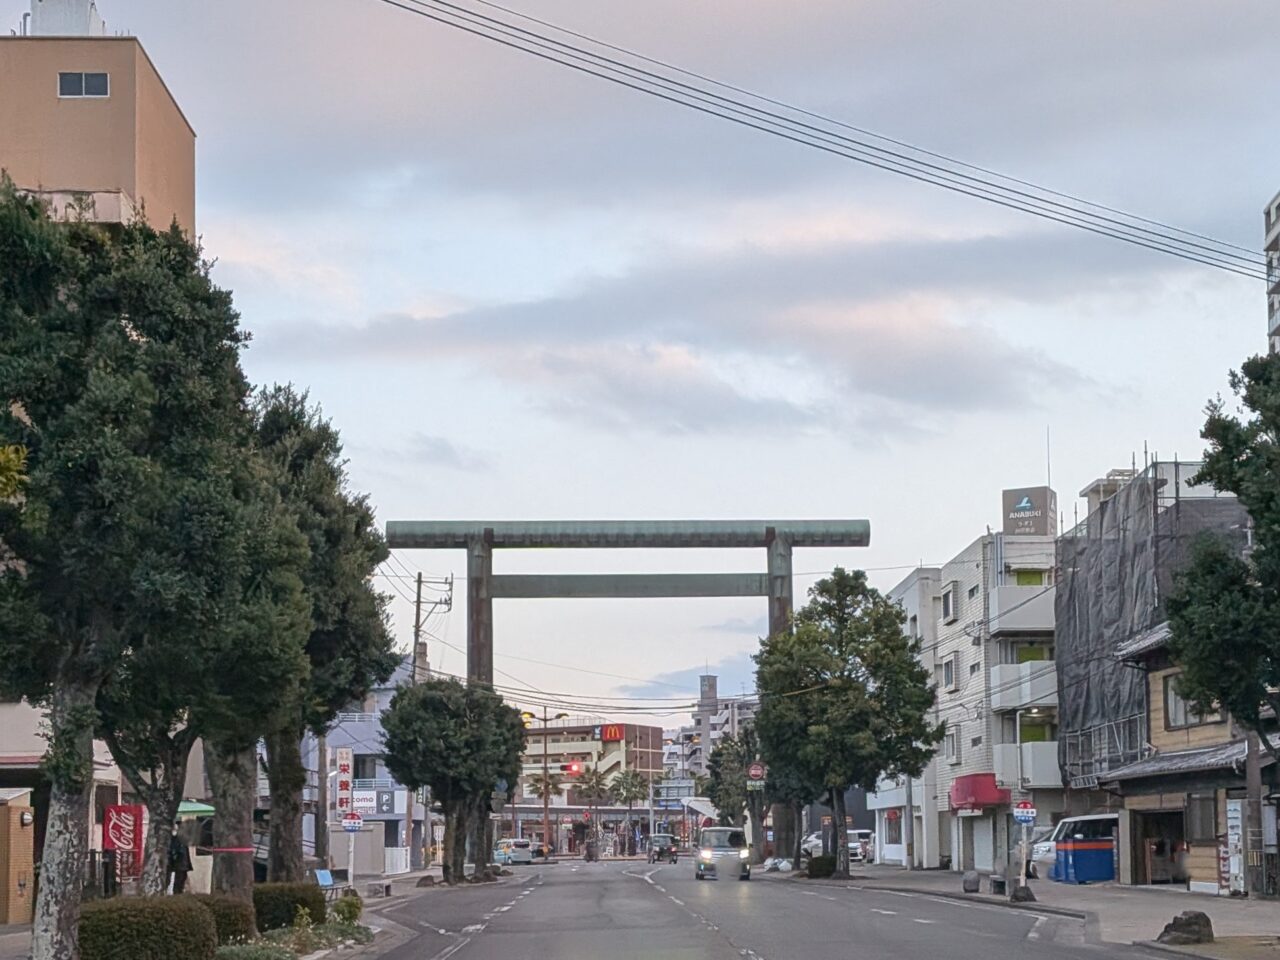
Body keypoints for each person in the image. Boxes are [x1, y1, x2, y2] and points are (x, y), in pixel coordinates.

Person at [168, 828, 193, 894]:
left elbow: (177, 852)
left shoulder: (178, 840)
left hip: (180, 865)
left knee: (178, 883)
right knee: (179, 883)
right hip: (182, 865)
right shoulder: (181, 840)